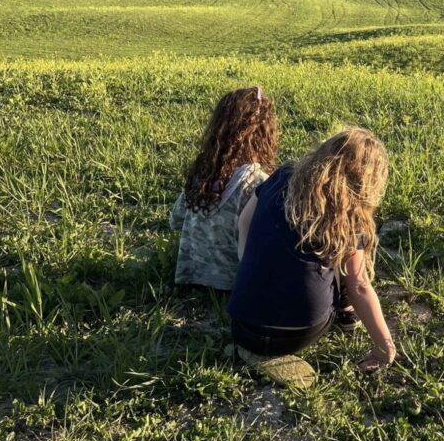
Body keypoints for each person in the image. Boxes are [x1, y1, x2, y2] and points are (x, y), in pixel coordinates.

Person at [228, 127, 396, 387]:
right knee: (347, 262)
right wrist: (384, 346)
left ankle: (255, 350)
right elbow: (360, 284)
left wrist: (248, 265)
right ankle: (346, 313)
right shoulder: (351, 216)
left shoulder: (282, 176)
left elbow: (244, 222)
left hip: (241, 321)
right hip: (300, 332)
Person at [169, 86, 278, 290]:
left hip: (191, 276)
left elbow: (175, 220)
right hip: (234, 282)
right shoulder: (258, 184)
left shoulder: (203, 176)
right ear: (265, 134)